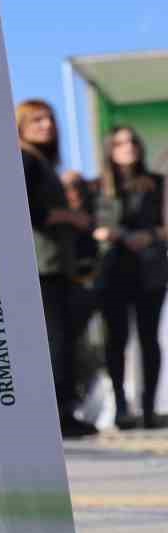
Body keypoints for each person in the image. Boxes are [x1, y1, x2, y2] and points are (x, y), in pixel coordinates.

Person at [18, 99, 98, 438]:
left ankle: (64, 411)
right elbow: (26, 209)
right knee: (55, 341)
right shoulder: (24, 159)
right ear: (21, 125)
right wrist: (70, 216)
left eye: (49, 118)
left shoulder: (42, 162)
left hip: (56, 265)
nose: (46, 124)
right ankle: (58, 417)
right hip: (42, 265)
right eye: (37, 119)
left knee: (63, 341)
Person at [93, 126, 168, 430]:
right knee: (116, 339)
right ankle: (122, 408)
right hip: (112, 272)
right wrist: (119, 235)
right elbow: (92, 227)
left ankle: (148, 408)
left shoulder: (158, 184)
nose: (129, 147)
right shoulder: (96, 188)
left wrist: (147, 235)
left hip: (150, 270)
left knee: (149, 339)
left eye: (133, 141)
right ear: (110, 149)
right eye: (121, 142)